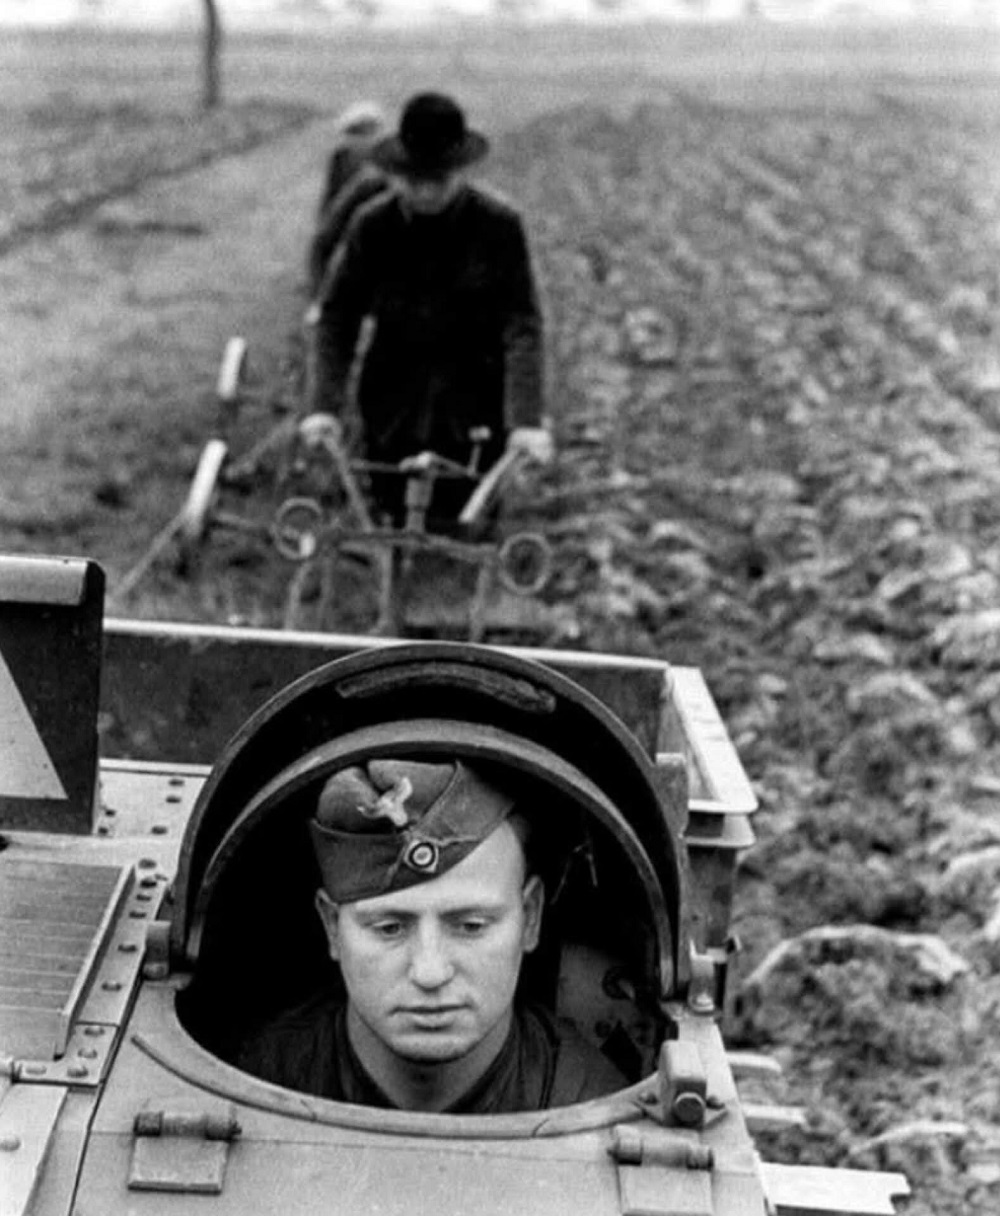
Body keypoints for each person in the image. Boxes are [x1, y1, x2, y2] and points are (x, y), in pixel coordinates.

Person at [238, 757, 625, 1112]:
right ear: (332, 927)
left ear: (530, 918)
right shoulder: (256, 1084)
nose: (430, 973)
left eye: (471, 927)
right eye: (389, 928)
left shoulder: (589, 1104)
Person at [303, 91, 553, 527]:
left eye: (438, 179)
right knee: (389, 513)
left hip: (474, 398)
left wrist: (525, 420)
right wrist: (323, 405)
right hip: (392, 397)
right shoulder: (372, 227)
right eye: (414, 179)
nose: (426, 192)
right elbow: (338, 317)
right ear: (397, 174)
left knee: (462, 522)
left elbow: (522, 323)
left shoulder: (499, 226)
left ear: (459, 171)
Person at [307, 101, 392, 300]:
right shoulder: (340, 158)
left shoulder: (386, 169)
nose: (361, 140)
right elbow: (330, 199)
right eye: (355, 134)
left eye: (367, 133)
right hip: (345, 222)